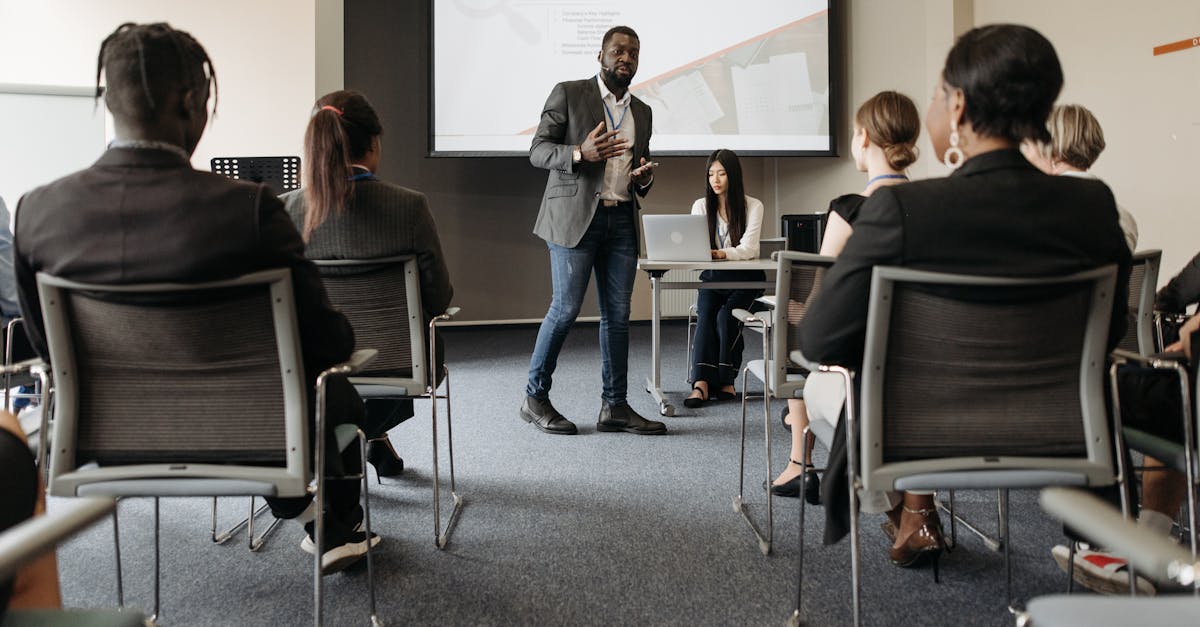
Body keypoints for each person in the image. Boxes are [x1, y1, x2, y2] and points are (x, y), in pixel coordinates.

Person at [13, 22, 377, 574]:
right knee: (340, 393)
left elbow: (46, 346)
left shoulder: (38, 212)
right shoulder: (250, 210)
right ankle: (335, 524)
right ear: (191, 102)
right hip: (254, 439)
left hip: (109, 443)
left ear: (109, 102)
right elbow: (326, 342)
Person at [795, 24, 1131, 574]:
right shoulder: (1092, 206)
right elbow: (1109, 330)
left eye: (934, 95)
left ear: (957, 107)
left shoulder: (902, 210)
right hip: (1057, 429)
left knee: (820, 382)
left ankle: (904, 503)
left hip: (917, 430)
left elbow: (818, 336)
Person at [283, 90, 454, 478]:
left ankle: (359, 437)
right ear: (373, 144)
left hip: (312, 365)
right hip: (399, 362)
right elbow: (440, 296)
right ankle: (363, 434)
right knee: (412, 346)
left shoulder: (286, 210)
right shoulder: (408, 207)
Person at [773, 91, 920, 501]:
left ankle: (799, 463)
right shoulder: (933, 208)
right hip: (925, 371)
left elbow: (820, 301)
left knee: (797, 332)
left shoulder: (850, 210)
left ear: (864, 138)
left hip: (858, 373)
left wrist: (787, 307)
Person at [520, 25, 665, 436]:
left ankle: (615, 406)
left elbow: (640, 169)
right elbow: (537, 150)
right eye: (618, 51)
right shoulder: (569, 93)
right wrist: (579, 152)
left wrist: (642, 179)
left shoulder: (643, 113)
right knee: (565, 309)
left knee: (618, 315)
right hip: (574, 217)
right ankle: (534, 397)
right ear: (600, 57)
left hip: (620, 219)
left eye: (633, 52)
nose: (626, 57)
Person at [683, 149, 764, 408]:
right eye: (710, 174)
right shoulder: (700, 206)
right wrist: (715, 256)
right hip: (714, 277)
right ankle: (701, 383)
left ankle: (726, 379)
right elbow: (696, 247)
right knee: (706, 313)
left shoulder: (753, 206)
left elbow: (749, 249)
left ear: (733, 175)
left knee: (725, 316)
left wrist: (718, 253)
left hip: (746, 279)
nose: (715, 179)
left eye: (721, 173)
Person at [1020, 104, 1139, 251]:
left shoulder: (1036, 214)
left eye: (1028, 145)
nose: (1024, 155)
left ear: (1050, 149)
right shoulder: (1124, 219)